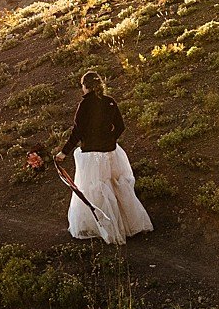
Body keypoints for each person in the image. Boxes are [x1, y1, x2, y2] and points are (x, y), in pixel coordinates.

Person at [60, 71, 152, 245]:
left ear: (86, 86)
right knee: (115, 188)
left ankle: (106, 229)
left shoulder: (85, 105)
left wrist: (64, 152)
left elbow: (77, 131)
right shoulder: (110, 101)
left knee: (96, 191)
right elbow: (121, 126)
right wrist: (110, 140)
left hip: (92, 156)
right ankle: (127, 226)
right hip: (111, 153)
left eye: (82, 85)